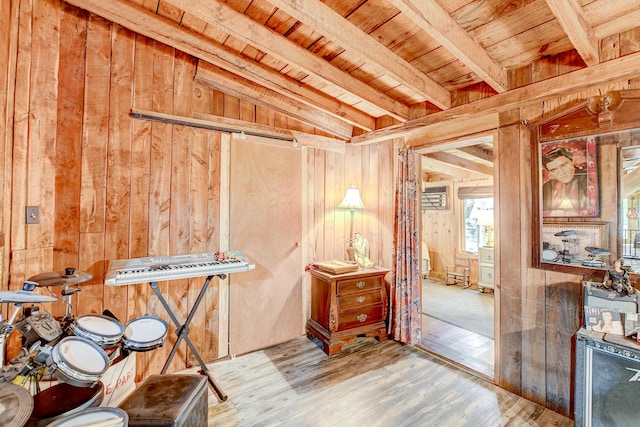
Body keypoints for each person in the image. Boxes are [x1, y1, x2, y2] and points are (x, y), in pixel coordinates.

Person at [542, 146, 588, 213]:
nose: (561, 172)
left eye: (564, 165)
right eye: (554, 170)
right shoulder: (547, 187)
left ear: (572, 161)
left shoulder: (588, 179)